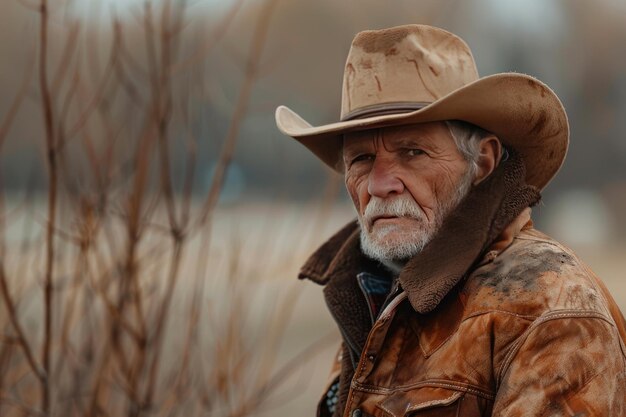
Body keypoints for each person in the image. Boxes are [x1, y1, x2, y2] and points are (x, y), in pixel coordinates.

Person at [275, 24, 626, 417]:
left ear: (483, 164)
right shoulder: (372, 297)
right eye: (361, 159)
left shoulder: (550, 306)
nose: (380, 184)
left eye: (412, 152)